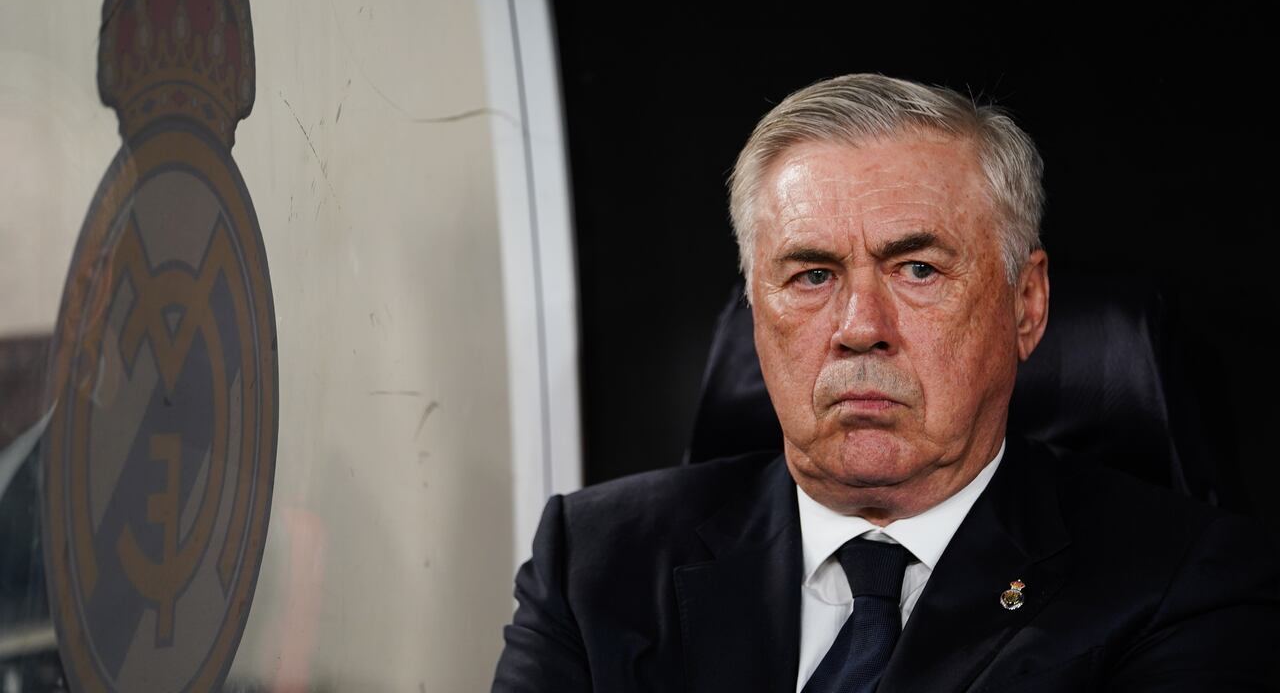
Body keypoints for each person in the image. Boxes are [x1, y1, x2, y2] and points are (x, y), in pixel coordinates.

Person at [491, 74, 1280, 692]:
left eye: (916, 269)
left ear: (1026, 305)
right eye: (810, 274)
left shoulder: (1183, 583)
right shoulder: (595, 561)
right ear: (754, 313)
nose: (859, 324)